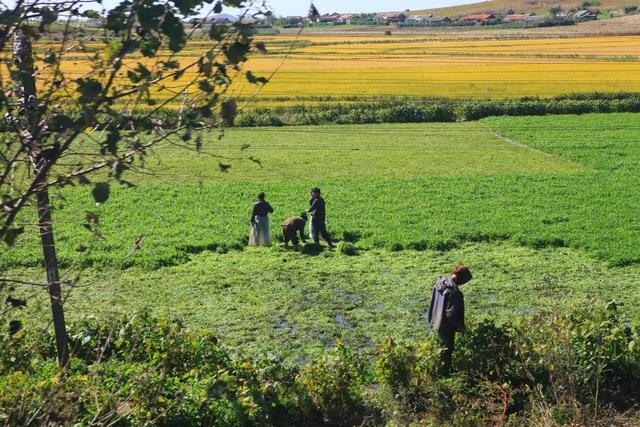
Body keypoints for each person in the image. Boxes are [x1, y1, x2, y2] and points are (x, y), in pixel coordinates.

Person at [427, 264, 473, 376]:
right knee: (447, 348)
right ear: (460, 277)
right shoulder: (453, 292)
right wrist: (461, 327)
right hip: (446, 324)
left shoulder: (441, 282)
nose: (463, 284)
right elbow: (451, 314)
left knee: (443, 345)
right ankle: (443, 374)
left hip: (436, 318)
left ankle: (446, 369)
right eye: (463, 281)